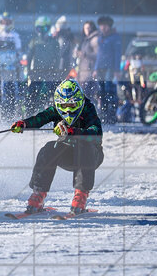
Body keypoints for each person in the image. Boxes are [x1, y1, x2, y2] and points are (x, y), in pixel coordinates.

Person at [10, 79, 104, 215]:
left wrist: (75, 132)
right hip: (68, 156)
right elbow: (41, 118)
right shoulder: (56, 110)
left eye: (71, 105)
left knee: (84, 145)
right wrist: (23, 124)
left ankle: (80, 196)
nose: (67, 109)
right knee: (48, 148)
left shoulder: (88, 108)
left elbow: (96, 133)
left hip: (91, 157)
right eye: (64, 105)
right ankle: (38, 194)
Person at [24, 16, 63, 114]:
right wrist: (29, 71)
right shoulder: (34, 41)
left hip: (50, 74)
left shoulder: (54, 42)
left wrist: (55, 72)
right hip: (36, 73)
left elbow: (57, 59)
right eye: (39, 28)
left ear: (48, 28)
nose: (41, 31)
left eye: (44, 28)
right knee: (31, 95)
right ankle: (29, 115)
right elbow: (28, 58)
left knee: (50, 95)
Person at [94, 15, 122, 122]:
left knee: (109, 90)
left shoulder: (115, 38)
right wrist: (96, 68)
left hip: (110, 68)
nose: (103, 28)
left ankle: (112, 115)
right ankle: (104, 114)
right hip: (100, 68)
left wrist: (117, 70)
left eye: (105, 25)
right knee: (101, 91)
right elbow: (99, 55)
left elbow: (117, 55)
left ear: (109, 26)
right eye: (101, 25)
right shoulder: (101, 38)